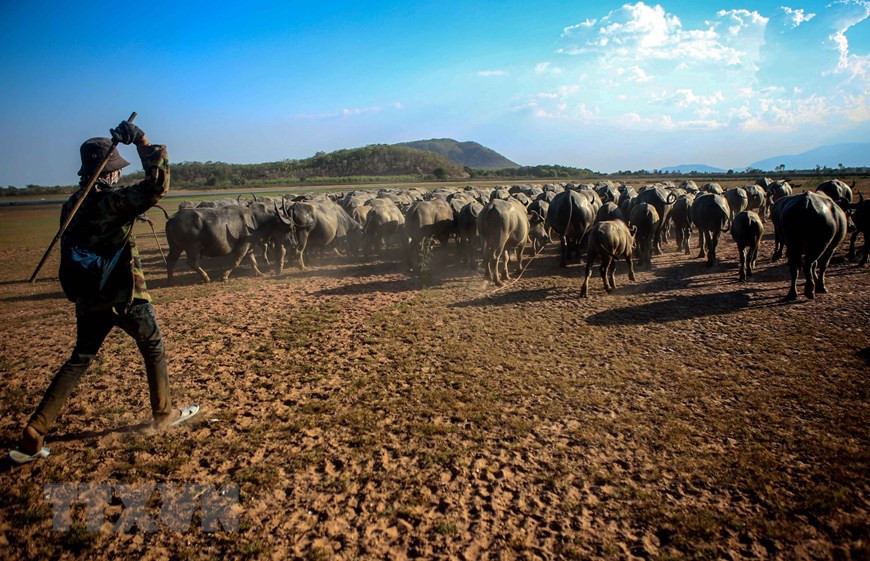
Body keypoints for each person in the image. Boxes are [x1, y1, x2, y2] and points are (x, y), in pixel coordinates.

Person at [10, 120, 199, 464]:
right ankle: (164, 413)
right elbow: (156, 186)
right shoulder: (111, 202)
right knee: (153, 345)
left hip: (89, 296)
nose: (119, 174)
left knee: (80, 358)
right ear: (109, 173)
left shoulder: (72, 204)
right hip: (125, 293)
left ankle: (36, 430)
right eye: (117, 170)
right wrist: (143, 142)